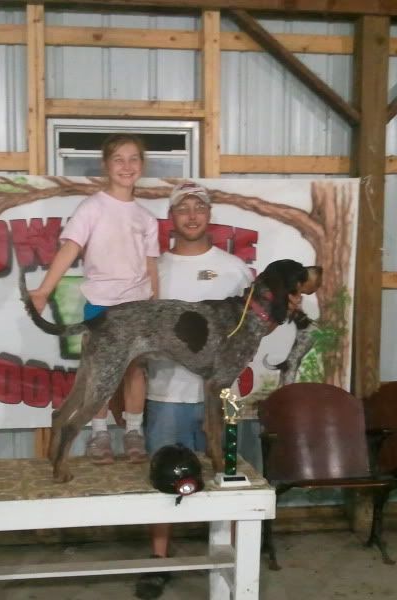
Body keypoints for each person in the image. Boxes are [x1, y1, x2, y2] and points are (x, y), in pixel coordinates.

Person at [135, 182, 253, 600]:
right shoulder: (153, 269)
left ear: (209, 214)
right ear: (171, 217)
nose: (191, 215)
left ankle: (233, 560)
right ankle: (159, 560)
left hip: (224, 396)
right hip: (165, 392)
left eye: (198, 207)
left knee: (229, 477)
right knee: (161, 479)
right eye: (182, 208)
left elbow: (249, 328)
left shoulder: (235, 269)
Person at [27, 133, 158, 465]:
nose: (126, 166)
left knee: (135, 369)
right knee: (99, 371)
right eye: (118, 159)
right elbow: (70, 249)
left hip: (138, 306)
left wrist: (156, 304)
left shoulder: (146, 218)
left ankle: (133, 431)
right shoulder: (92, 207)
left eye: (133, 159)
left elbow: (151, 264)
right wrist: (43, 291)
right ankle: (99, 432)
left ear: (142, 165)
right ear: (106, 165)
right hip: (101, 303)